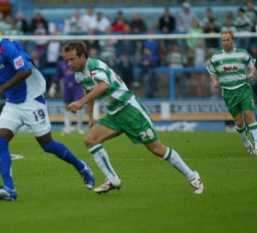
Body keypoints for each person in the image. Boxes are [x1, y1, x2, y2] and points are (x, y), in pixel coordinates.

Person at [63, 41, 203, 194]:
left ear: (83, 56)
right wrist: (90, 117)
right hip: (114, 114)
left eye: (72, 59)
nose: (69, 63)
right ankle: (112, 179)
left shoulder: (95, 65)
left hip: (130, 110)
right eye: (67, 60)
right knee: (90, 140)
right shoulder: (78, 74)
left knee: (157, 149)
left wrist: (80, 103)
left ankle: (193, 176)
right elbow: (88, 92)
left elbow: (104, 86)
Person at [0, 21, 95, 201]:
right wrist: (5, 92)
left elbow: (24, 71)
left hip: (32, 102)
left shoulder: (8, 48)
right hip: (13, 104)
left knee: (47, 145)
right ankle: (9, 189)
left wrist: (0, 90)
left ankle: (81, 167)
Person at [207, 31, 257, 155]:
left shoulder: (243, 53)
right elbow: (212, 72)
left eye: (228, 40)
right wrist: (214, 81)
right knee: (239, 122)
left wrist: (251, 73)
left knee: (249, 114)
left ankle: (256, 143)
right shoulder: (216, 57)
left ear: (232, 40)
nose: (226, 42)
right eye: (223, 40)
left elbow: (252, 66)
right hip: (228, 92)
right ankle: (246, 143)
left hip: (243, 89)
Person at [49, 56, 85, 135]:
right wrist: (53, 87)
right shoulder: (61, 64)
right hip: (67, 87)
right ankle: (67, 128)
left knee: (79, 105)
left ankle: (79, 127)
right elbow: (57, 76)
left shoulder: (76, 61)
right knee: (67, 106)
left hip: (77, 86)